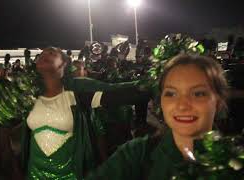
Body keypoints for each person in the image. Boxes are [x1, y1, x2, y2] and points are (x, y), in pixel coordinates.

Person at [87, 54, 228, 179]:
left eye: (198, 94)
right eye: (171, 94)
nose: (182, 105)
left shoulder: (234, 159)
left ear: (219, 102)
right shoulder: (136, 155)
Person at [20, 47, 151, 179]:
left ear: (64, 64)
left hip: (70, 175)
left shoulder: (77, 91)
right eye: (42, 53)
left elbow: (116, 92)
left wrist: (154, 84)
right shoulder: (29, 94)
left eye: (52, 53)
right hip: (34, 175)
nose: (45, 54)